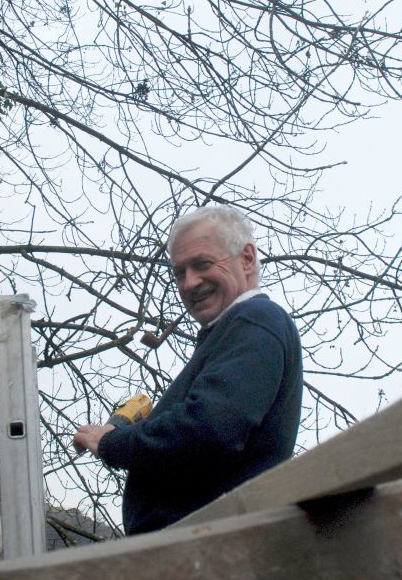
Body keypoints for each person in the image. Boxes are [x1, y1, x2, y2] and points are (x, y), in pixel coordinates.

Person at [73, 205, 303, 535]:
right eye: (179, 273)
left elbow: (209, 428)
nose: (189, 282)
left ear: (247, 259)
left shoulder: (255, 320)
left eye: (202, 264)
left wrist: (113, 443)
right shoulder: (231, 332)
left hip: (211, 547)